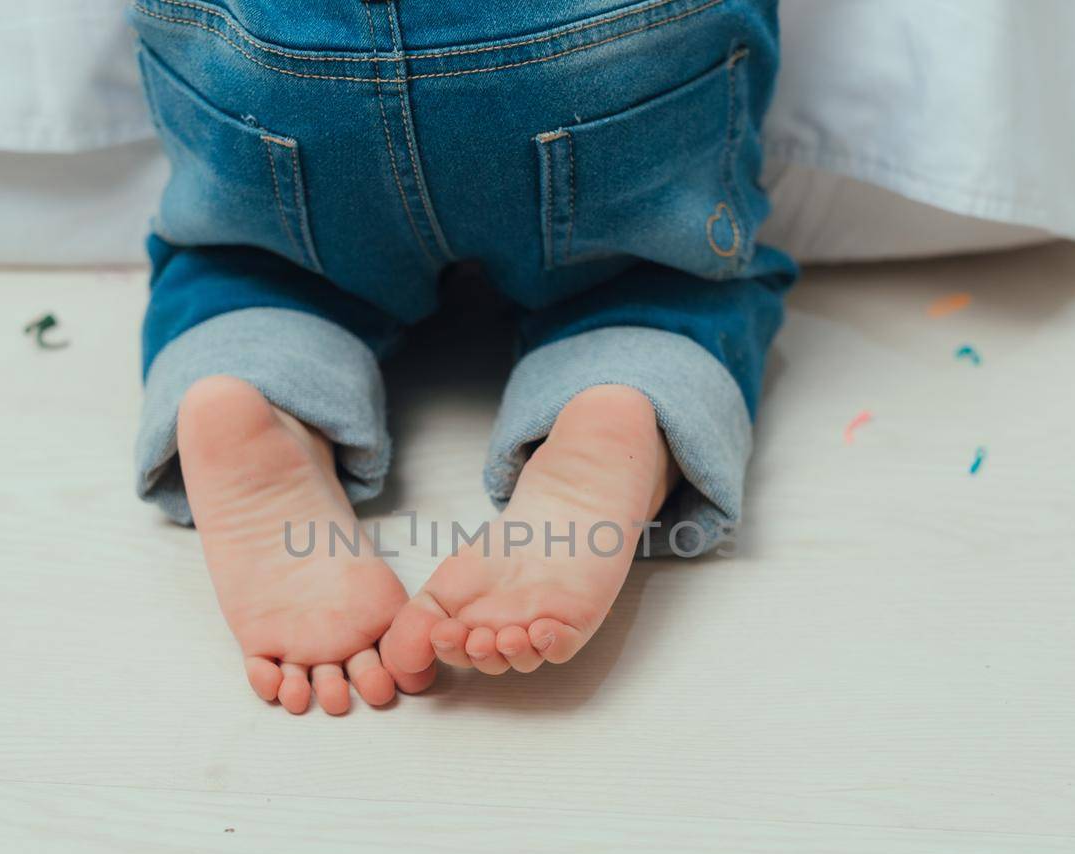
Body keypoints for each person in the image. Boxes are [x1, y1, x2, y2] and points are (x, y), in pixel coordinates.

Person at [130, 0, 796, 713]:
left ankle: (252, 378)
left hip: (272, 64)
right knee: (649, 278)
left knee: (259, 271)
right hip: (599, 54)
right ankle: (620, 396)